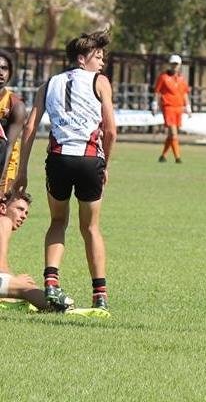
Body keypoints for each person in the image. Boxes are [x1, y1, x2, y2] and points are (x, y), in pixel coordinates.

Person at [12, 29, 116, 313]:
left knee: (58, 222)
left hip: (57, 160)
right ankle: (100, 295)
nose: (102, 62)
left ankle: (51, 285)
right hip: (88, 160)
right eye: (98, 56)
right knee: (90, 227)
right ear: (82, 59)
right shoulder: (100, 82)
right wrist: (105, 163)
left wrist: (22, 171)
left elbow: (30, 128)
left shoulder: (49, 83)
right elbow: (111, 130)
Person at [0, 189, 73, 311]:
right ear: (3, 208)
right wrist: (18, 282)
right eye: (20, 209)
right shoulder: (4, 221)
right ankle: (63, 308)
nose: (23, 216)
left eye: (26, 213)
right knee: (27, 288)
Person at [152, 54, 191, 164]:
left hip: (178, 108)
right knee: (173, 134)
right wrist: (154, 104)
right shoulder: (163, 77)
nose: (174, 66)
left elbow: (185, 94)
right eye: (173, 64)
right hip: (168, 107)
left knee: (171, 135)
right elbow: (157, 91)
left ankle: (163, 156)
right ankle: (177, 157)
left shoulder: (181, 79)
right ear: (170, 64)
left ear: (179, 65)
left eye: (176, 64)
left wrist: (188, 107)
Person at [0, 50, 26, 194]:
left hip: (4, 167)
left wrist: (1, 178)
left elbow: (8, 146)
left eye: (4, 68)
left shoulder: (15, 105)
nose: (1, 72)